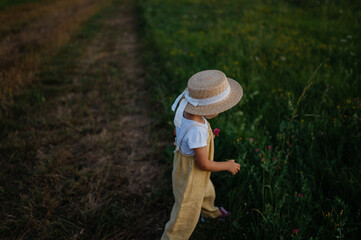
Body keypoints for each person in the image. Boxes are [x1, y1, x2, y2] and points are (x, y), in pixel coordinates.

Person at [161, 70, 244, 240]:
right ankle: (172, 236)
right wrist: (227, 165)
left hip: (186, 167)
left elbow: (179, 132)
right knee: (185, 209)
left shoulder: (186, 110)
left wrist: (207, 137)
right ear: (206, 108)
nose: (220, 111)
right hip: (193, 173)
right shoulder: (197, 130)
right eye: (219, 108)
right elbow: (204, 165)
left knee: (206, 189)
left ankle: (209, 211)